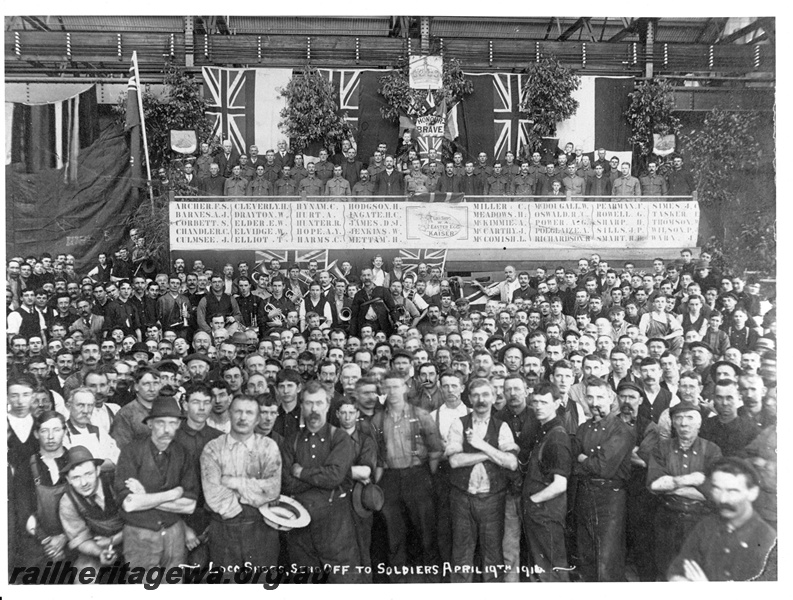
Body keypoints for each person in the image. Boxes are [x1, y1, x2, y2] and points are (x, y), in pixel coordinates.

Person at [281, 381, 363, 582]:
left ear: (328, 405)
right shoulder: (291, 440)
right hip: (300, 524)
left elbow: (334, 477)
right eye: (309, 403)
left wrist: (301, 473)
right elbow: (286, 482)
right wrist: (321, 477)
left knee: (343, 582)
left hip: (335, 525)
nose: (314, 409)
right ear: (302, 406)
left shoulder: (341, 438)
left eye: (319, 403)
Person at [371, 371, 443, 582]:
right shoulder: (377, 420)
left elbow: (436, 450)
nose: (392, 392)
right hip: (390, 477)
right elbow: (376, 456)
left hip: (418, 476)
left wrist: (425, 477)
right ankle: (398, 583)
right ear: (382, 390)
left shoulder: (421, 415)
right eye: (388, 387)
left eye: (396, 386)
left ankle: (432, 581)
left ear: (405, 388)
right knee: (394, 533)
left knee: (425, 531)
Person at [446, 378, 518, 582]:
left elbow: (512, 463)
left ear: (494, 398)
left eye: (486, 395)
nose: (481, 400)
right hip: (462, 498)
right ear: (468, 398)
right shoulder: (459, 423)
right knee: (461, 554)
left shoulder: (502, 426)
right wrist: (490, 455)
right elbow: (455, 461)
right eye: (476, 395)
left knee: (493, 555)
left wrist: (481, 445)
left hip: (492, 498)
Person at [114, 396, 198, 571]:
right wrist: (172, 494)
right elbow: (129, 504)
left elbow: (189, 506)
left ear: (178, 425)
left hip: (174, 534)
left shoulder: (183, 454)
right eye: (160, 422)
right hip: (139, 534)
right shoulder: (131, 451)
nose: (167, 429)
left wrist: (144, 497)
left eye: (172, 423)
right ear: (150, 423)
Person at [201, 395, 282, 573]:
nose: (243, 417)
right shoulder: (212, 448)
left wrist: (232, 482)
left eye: (249, 412)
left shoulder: (269, 447)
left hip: (262, 529)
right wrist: (253, 496)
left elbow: (272, 488)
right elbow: (213, 494)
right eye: (238, 411)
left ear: (258, 418)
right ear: (229, 414)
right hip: (224, 530)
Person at [666, 458, 776, 581]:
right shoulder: (706, 526)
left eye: (732, 491)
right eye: (717, 489)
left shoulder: (768, 541)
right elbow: (677, 571)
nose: (723, 499)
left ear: (753, 493)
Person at [647, 401, 723, 577]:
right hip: (667, 521)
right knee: (667, 571)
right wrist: (692, 479)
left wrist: (672, 484)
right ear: (672, 423)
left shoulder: (712, 450)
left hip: (700, 522)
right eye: (678, 418)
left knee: (695, 573)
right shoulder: (661, 448)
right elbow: (654, 484)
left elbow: (715, 493)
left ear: (699, 423)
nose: (684, 423)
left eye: (690, 417)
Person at [574, 377, 636, 581]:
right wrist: (586, 461)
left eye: (600, 397)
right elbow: (573, 464)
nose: (594, 402)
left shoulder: (621, 429)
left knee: (607, 560)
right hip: (584, 495)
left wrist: (583, 458)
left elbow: (603, 468)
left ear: (611, 398)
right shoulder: (583, 429)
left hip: (610, 499)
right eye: (589, 397)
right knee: (586, 555)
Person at [522, 382, 573, 581]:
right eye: (535, 402)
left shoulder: (557, 437)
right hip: (539, 513)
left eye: (544, 402)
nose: (538, 406)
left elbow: (560, 484)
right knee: (542, 568)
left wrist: (533, 501)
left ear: (558, 403)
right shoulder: (543, 429)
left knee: (553, 569)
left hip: (546, 513)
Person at [58, 445, 124, 573]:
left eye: (88, 474)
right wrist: (100, 553)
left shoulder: (116, 482)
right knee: (83, 576)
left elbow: (140, 522)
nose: (84, 483)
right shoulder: (68, 501)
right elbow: (80, 539)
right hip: (97, 546)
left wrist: (113, 540)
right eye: (76, 478)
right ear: (68, 480)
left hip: (131, 537)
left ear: (98, 470)